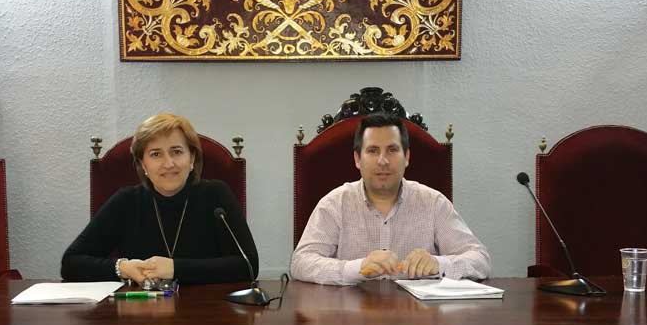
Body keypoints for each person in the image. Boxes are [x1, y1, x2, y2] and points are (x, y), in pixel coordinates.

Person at [290, 112, 490, 285]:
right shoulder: (334, 204)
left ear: (407, 157)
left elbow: (480, 259)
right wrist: (358, 268)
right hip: (351, 314)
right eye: (373, 151)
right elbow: (300, 263)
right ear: (357, 159)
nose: (383, 161)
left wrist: (439, 264)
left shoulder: (433, 203)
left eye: (392, 150)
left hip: (418, 315)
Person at [62, 113, 258, 284]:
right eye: (156, 154)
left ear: (191, 159)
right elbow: (71, 263)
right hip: (141, 312)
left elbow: (248, 266)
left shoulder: (216, 196)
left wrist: (174, 268)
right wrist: (122, 268)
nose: (168, 163)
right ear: (143, 164)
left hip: (209, 311)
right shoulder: (126, 201)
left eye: (177, 152)